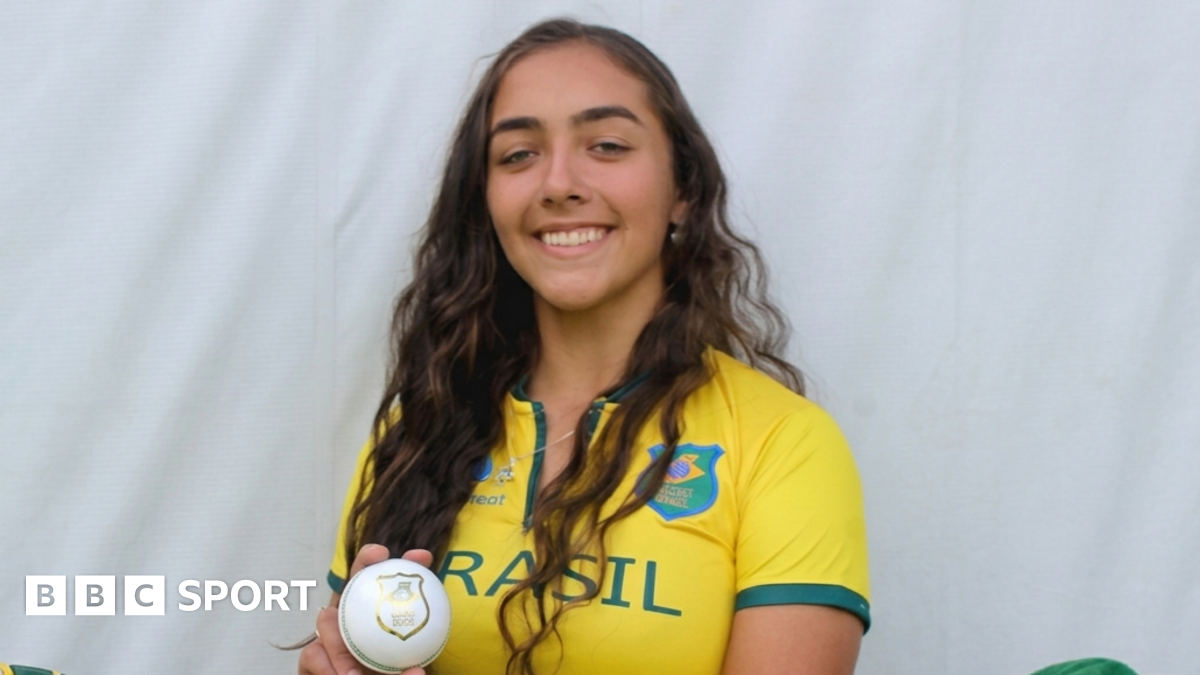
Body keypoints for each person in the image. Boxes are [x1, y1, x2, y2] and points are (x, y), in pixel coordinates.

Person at [298, 18, 870, 675]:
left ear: (683, 188)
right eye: (517, 154)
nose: (558, 183)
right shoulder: (419, 430)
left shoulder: (783, 444)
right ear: (484, 200)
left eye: (606, 145)